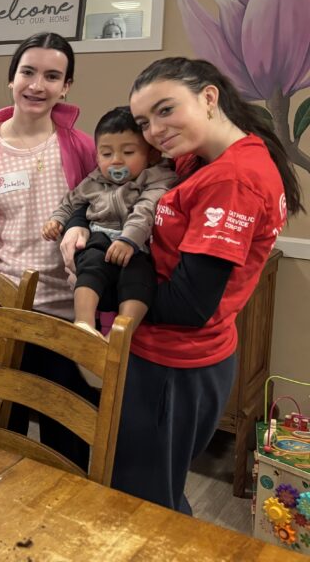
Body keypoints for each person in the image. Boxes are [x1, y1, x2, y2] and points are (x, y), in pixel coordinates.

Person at [60, 57, 300, 513]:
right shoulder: (197, 157)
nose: (154, 132)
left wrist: (94, 286)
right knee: (145, 483)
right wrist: (76, 224)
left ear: (209, 97)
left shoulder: (233, 179)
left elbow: (190, 305)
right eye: (144, 122)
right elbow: (111, 190)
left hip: (174, 364)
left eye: (165, 110)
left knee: (142, 503)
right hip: (160, 353)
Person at [0, 32, 96, 468]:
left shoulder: (83, 149)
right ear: (11, 79)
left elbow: (104, 216)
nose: (37, 85)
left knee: (68, 451)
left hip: (67, 320)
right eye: (28, 72)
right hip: (4, 319)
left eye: (52, 76)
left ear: (66, 86)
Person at [43, 106, 176, 337]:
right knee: (90, 262)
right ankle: (84, 324)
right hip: (99, 235)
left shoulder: (156, 179)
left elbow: (145, 211)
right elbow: (70, 201)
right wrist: (57, 220)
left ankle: (120, 335)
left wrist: (128, 240)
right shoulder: (93, 181)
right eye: (106, 154)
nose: (116, 161)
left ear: (152, 154)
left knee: (139, 277)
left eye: (128, 152)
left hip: (136, 244)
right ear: (97, 156)